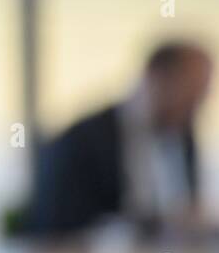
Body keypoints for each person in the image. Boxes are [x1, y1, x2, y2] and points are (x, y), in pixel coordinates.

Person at [29, 40, 212, 235]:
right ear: (157, 77)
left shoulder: (181, 133)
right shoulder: (81, 141)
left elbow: (186, 210)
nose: (196, 105)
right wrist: (151, 226)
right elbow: (60, 229)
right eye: (191, 94)